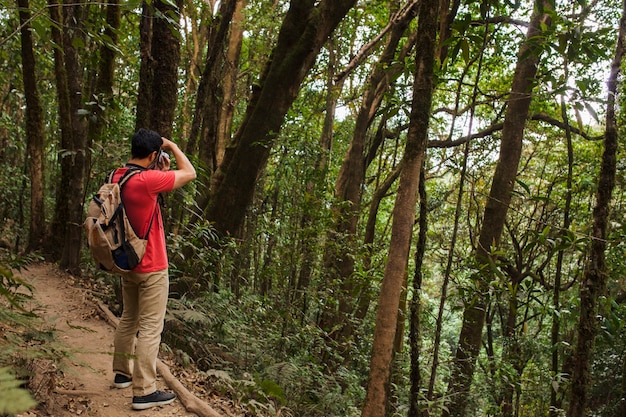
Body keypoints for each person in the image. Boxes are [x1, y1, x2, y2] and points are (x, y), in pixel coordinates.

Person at [110, 128, 196, 410]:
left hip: (127, 261)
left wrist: (157, 166)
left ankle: (122, 373)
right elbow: (190, 173)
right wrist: (170, 146)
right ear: (152, 154)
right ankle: (144, 390)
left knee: (128, 318)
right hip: (152, 265)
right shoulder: (149, 181)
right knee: (150, 328)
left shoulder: (118, 176)